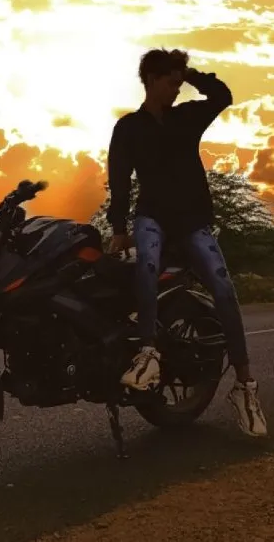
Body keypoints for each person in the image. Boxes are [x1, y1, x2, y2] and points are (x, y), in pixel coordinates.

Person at [106, 47, 267, 438]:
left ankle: (245, 386)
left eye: (180, 84)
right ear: (151, 81)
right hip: (152, 218)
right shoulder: (128, 129)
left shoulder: (187, 118)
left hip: (193, 221)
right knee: (146, 263)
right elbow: (120, 179)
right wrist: (118, 227)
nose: (177, 90)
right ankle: (147, 353)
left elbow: (223, 97)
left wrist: (189, 72)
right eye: (171, 83)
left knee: (224, 288)